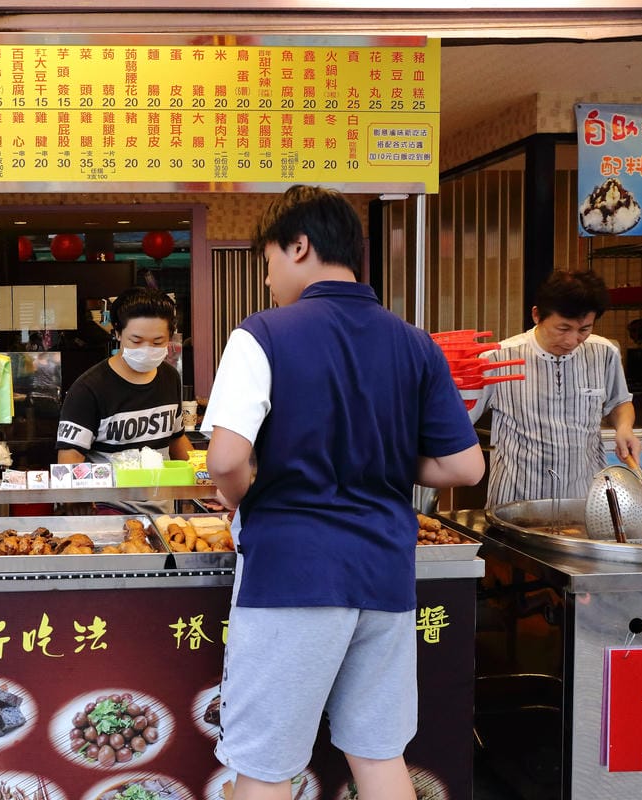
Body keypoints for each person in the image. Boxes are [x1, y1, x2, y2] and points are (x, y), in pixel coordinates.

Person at [201, 185, 484, 800]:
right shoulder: (414, 342)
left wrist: (239, 493)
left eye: (269, 260)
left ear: (299, 246)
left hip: (291, 576)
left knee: (267, 768)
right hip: (384, 572)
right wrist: (376, 456)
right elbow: (465, 467)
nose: (269, 278)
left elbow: (224, 457)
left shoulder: (262, 333)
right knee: (379, 757)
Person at [472, 270, 640, 506]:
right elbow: (460, 420)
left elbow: (619, 402)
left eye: (584, 330)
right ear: (537, 315)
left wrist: (624, 428)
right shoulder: (498, 358)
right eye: (563, 328)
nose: (572, 341)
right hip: (515, 502)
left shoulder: (604, 353)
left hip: (584, 501)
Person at [55, 287, 192, 514]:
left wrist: (204, 478)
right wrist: (76, 501)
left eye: (158, 342)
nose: (147, 349)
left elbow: (177, 440)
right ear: (118, 333)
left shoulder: (170, 378)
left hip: (162, 510)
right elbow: (68, 458)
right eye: (136, 341)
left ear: (170, 336)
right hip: (109, 511)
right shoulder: (89, 388)